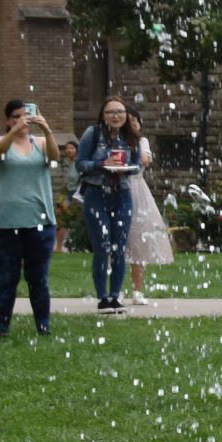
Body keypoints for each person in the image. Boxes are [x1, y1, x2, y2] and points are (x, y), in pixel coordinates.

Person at [0, 100, 59, 338]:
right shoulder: (0, 141)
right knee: (8, 278)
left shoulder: (40, 143)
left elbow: (55, 157)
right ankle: (3, 329)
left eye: (26, 116)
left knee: (38, 278)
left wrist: (46, 129)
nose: (22, 120)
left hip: (40, 220)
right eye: (15, 116)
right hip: (4, 222)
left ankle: (43, 327)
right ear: (8, 120)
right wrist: (15, 131)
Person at [74, 95, 143, 313]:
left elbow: (136, 166)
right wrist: (102, 164)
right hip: (96, 194)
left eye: (120, 112)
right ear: (103, 115)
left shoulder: (130, 138)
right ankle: (103, 297)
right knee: (103, 246)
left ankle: (115, 296)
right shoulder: (93, 134)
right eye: (111, 112)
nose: (116, 116)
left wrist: (126, 167)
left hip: (121, 194)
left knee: (119, 247)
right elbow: (80, 164)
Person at [124, 112, 173, 305]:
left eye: (135, 120)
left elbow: (143, 160)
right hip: (117, 188)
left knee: (138, 240)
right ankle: (113, 290)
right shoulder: (114, 141)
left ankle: (137, 290)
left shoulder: (141, 142)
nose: (131, 124)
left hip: (136, 190)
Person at [55, 140, 82, 253]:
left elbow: (82, 181)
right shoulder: (69, 163)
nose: (68, 150)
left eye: (71, 148)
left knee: (69, 220)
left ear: (77, 150)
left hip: (76, 196)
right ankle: (59, 247)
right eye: (67, 148)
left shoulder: (79, 164)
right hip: (68, 193)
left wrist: (71, 199)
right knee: (60, 220)